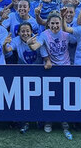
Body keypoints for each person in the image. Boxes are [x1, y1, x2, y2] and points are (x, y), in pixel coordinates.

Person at [26, 11, 74, 140]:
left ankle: (64, 121)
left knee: (64, 98)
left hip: (66, 68)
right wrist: (30, 43)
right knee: (50, 98)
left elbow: (77, 41)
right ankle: (49, 121)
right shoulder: (44, 34)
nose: (55, 26)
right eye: (52, 23)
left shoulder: (66, 34)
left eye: (57, 23)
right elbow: (36, 46)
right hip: (50, 69)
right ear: (48, 24)